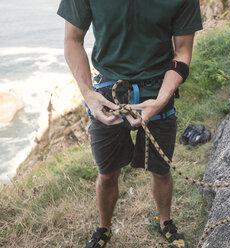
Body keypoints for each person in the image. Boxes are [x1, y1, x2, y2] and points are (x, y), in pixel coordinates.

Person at [57, 1, 202, 247]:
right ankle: (104, 227)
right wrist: (89, 94)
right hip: (107, 94)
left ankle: (165, 221)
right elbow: (72, 40)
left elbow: (182, 53)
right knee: (107, 172)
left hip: (158, 91)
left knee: (161, 169)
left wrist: (161, 100)